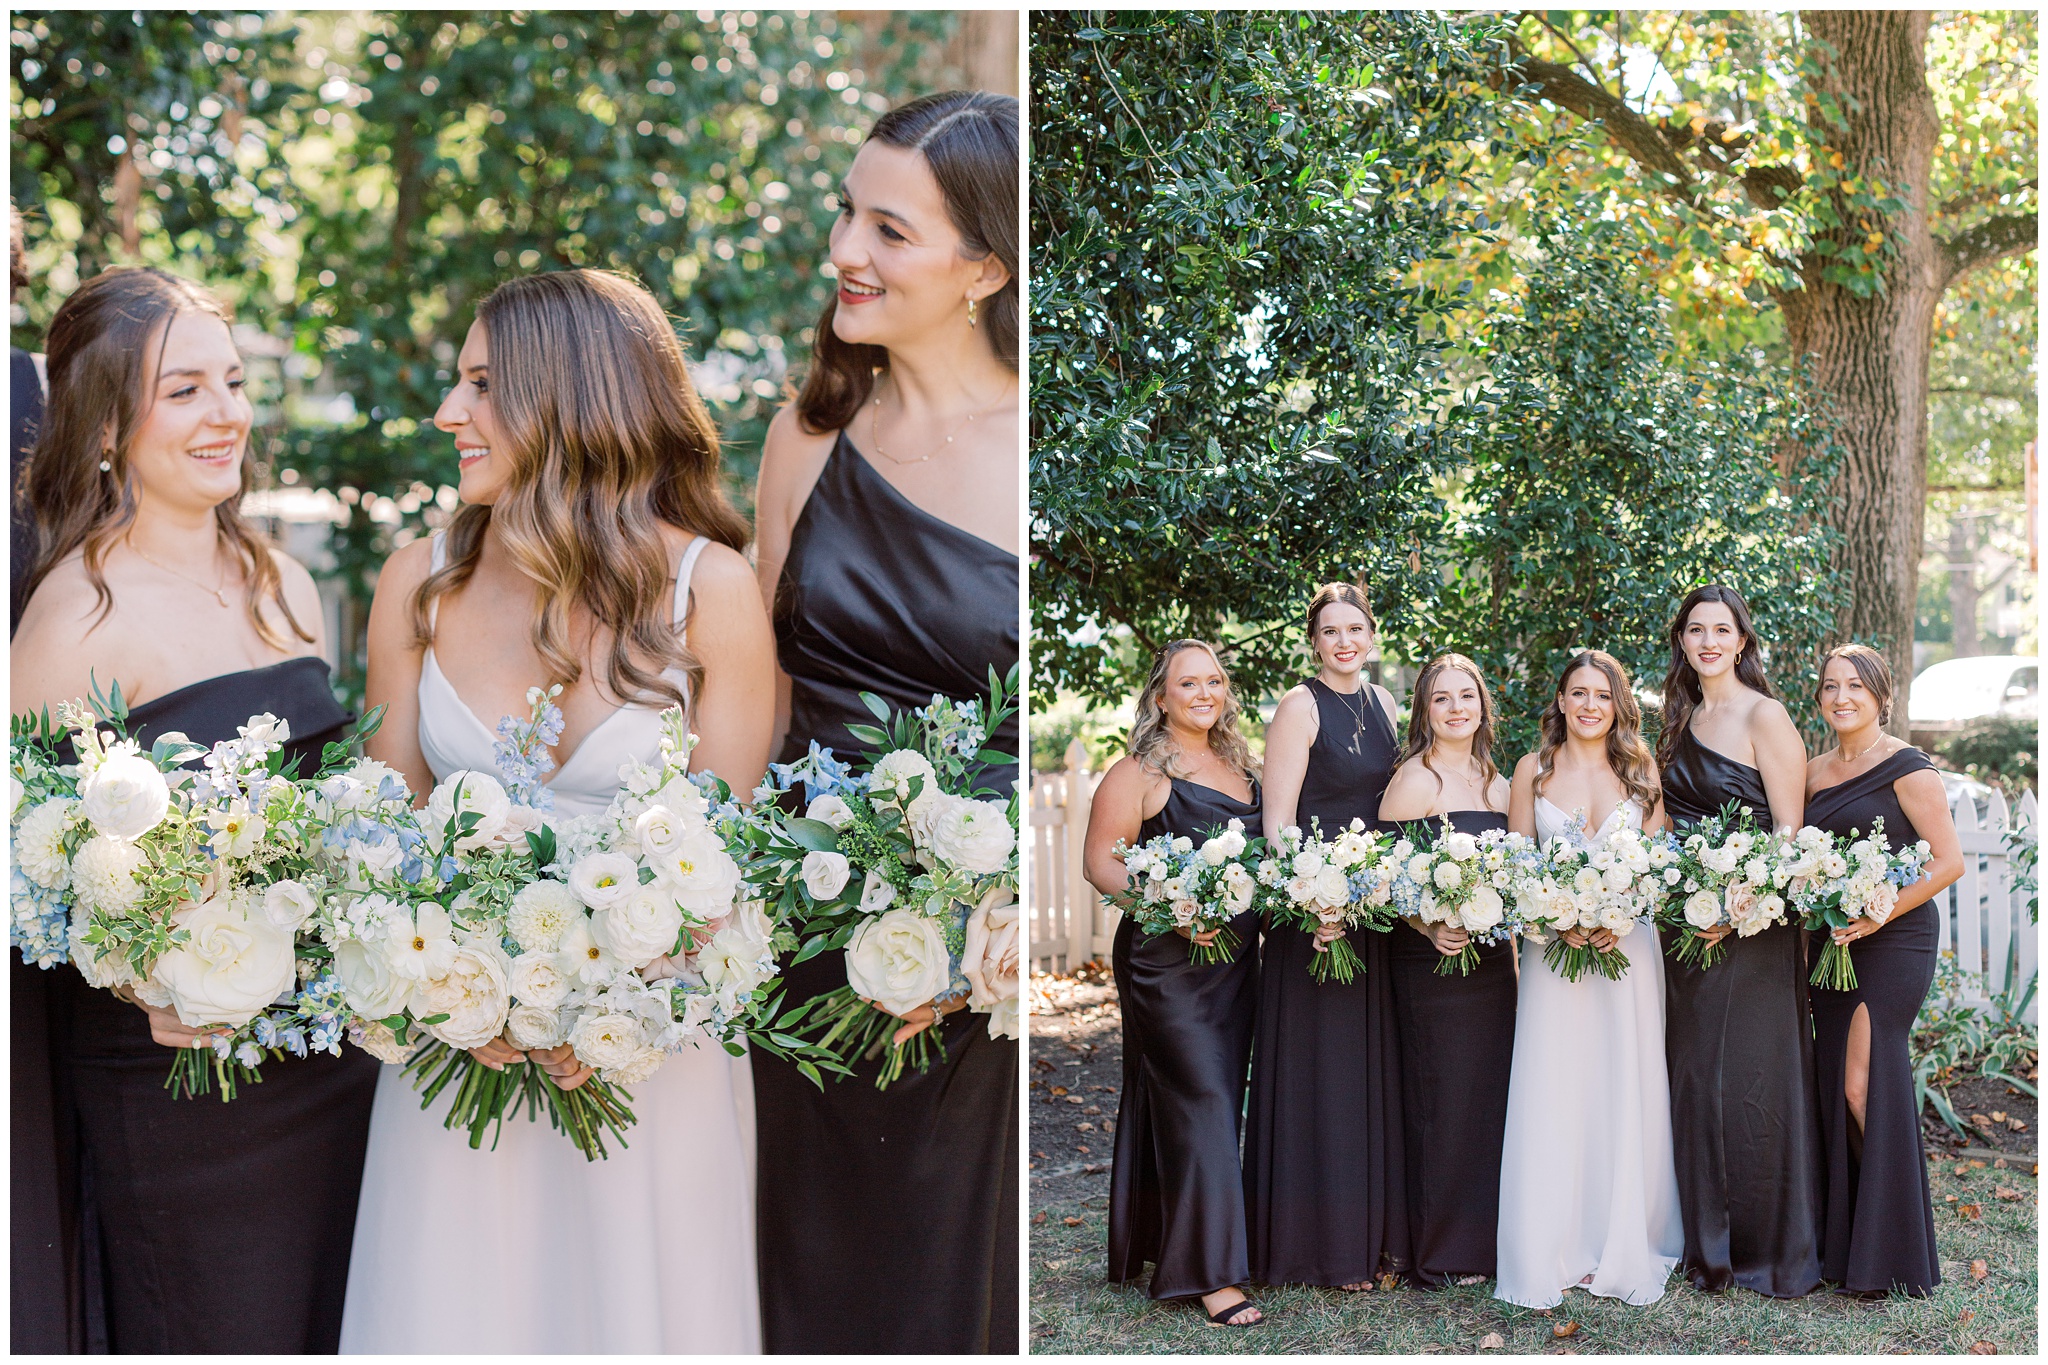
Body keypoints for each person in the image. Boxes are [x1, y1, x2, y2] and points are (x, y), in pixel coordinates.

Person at [340, 269, 772, 1353]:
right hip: (455, 1055)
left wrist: (604, 999)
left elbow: (723, 866)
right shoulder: (418, 584)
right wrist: (461, 997)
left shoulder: (708, 592)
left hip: (647, 1068)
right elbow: (379, 845)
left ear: (571, 402)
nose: (449, 413)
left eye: (482, 385)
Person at [11, 265, 378, 1352]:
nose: (227, 415)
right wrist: (139, 967)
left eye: (231, 381)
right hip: (177, 1088)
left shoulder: (285, 585)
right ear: (106, 426)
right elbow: (25, 870)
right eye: (185, 391)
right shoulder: (76, 621)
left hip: (327, 1064)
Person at [746, 90, 1021, 1354]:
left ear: (984, 268)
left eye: (888, 229)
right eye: (846, 214)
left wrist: (979, 928)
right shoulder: (807, 438)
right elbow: (753, 694)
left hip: (966, 975)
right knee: (794, 1272)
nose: (844, 252)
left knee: (931, 1283)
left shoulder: (1031, 451)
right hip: (793, 944)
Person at [1495, 651, 1683, 1309]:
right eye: (1578, 693)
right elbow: (1515, 865)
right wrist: (1558, 916)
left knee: (1619, 1080)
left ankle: (1620, 1235)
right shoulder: (1532, 771)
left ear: (1618, 703)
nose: (1589, 705)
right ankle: (1553, 1241)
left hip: (1627, 953)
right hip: (1554, 954)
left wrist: (1624, 910)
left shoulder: (1639, 771)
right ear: (1562, 700)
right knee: (1556, 1083)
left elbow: (1656, 866)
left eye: (1602, 694)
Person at [1087, 640, 1265, 1327]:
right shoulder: (1136, 771)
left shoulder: (1244, 767)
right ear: (1160, 695)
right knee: (1206, 1097)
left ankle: (1172, 1239)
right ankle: (1213, 1276)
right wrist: (1170, 908)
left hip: (1234, 966)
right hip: (1165, 966)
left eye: (1214, 680)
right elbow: (1100, 863)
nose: (1204, 692)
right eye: (1188, 682)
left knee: (1214, 1100)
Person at [1655, 585, 1824, 1297]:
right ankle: (1705, 1243)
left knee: (1753, 1081)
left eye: (1722, 628)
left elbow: (1791, 838)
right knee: (1695, 1078)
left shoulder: (1767, 715)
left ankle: (1763, 1246)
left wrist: (1742, 901)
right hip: (1685, 927)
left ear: (1743, 640)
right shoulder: (1683, 716)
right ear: (1683, 642)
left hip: (1754, 928)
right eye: (1696, 629)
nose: (1709, 640)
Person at [1242, 583, 1408, 1292]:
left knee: (1363, 1075)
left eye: (1355, 627)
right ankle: (1312, 1248)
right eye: (1330, 630)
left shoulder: (1387, 704)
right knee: (1320, 1075)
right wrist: (1313, 900)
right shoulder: (1299, 707)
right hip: (1310, 920)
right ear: (1314, 640)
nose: (1344, 640)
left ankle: (1366, 1239)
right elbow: (1276, 822)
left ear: (1372, 633)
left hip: (1369, 916)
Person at [1804, 644, 1963, 1296]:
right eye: (1831, 686)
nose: (1843, 697)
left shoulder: (1909, 767)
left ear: (1881, 695)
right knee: (1835, 1085)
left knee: (1861, 1087)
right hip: (1830, 941)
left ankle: (1895, 1247)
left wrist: (1879, 912)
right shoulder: (1811, 772)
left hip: (1893, 941)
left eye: (1856, 687)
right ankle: (1849, 1247)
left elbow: (1947, 862)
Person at [1376, 652, 1516, 1288]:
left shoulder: (1499, 783)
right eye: (1441, 698)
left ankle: (1483, 1241)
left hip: (1491, 967)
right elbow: (1383, 882)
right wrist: (1428, 925)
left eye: (1467, 696)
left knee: (1487, 1100)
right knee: (1439, 1098)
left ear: (1483, 705)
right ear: (1424, 711)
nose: (1457, 708)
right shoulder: (1413, 781)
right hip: (1429, 963)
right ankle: (1436, 1250)